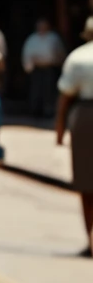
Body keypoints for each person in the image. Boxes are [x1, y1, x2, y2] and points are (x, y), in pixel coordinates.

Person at [55, 16, 93, 259]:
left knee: (86, 182)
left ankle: (90, 239)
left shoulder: (79, 57)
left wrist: (59, 130)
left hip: (86, 116)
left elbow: (65, 97)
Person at [22, 18, 65, 118]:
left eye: (44, 25)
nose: (42, 28)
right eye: (40, 26)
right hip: (36, 68)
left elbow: (60, 51)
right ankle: (35, 110)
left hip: (49, 67)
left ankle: (48, 110)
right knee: (36, 90)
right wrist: (28, 67)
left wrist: (60, 63)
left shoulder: (53, 38)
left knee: (49, 90)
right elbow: (26, 53)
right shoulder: (32, 38)